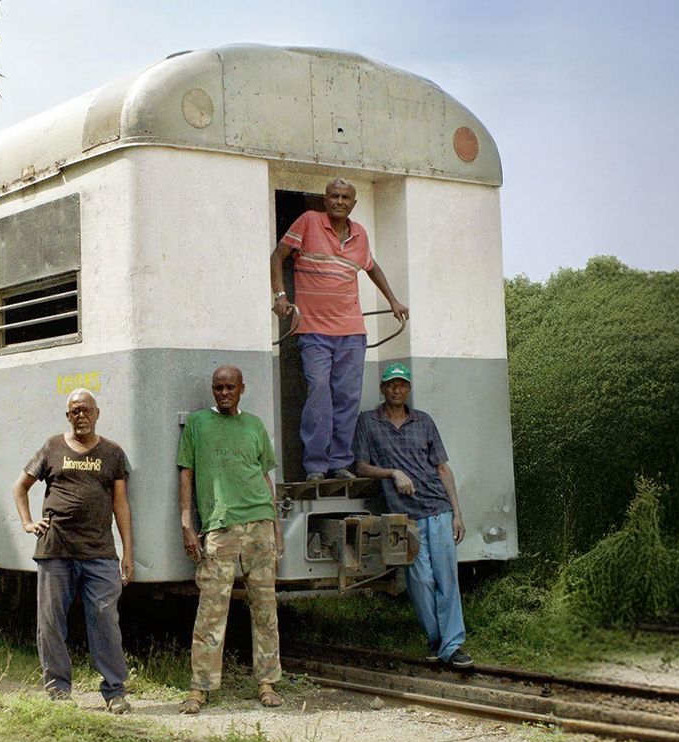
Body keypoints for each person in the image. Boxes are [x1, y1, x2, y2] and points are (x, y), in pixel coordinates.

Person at [270, 178, 409, 482]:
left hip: (351, 331)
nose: (339, 201)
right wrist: (280, 295)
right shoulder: (309, 221)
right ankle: (315, 466)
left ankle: (340, 463)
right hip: (313, 330)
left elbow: (371, 267)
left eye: (346, 197)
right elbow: (278, 255)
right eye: (334, 196)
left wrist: (393, 300)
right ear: (325, 200)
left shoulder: (360, 234)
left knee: (347, 398)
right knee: (319, 393)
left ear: (353, 204)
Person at [12, 389, 134, 715]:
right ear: (68, 416)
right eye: (75, 411)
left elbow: (121, 504)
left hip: (100, 552)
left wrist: (128, 551)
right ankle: (58, 691)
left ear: (97, 413)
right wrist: (27, 522)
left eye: (86, 410)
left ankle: (115, 692)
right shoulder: (52, 447)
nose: (81, 415)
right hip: (55, 549)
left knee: (105, 620)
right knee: (51, 622)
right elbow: (20, 486)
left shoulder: (113, 453)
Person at [176, 365, 284, 713]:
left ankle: (267, 683)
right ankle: (199, 688)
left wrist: (276, 528)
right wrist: (187, 523)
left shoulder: (254, 425)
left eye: (230, 387)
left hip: (260, 523)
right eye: (218, 388)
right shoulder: (197, 424)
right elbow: (186, 474)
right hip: (220, 527)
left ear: (242, 389)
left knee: (265, 607)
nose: (224, 393)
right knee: (211, 610)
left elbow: (265, 477)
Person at [353, 363, 473, 669]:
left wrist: (457, 513)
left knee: (447, 578)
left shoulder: (424, 421)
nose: (397, 389)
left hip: (438, 509)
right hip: (404, 518)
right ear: (383, 388)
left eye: (403, 384)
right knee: (420, 580)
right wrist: (393, 472)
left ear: (408, 389)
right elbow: (361, 466)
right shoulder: (368, 421)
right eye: (392, 384)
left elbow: (442, 468)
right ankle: (436, 639)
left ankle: (452, 644)